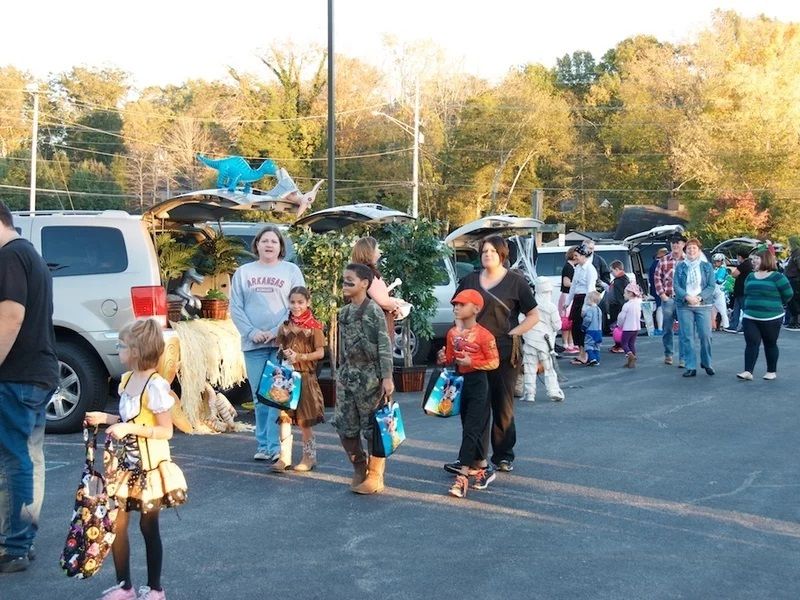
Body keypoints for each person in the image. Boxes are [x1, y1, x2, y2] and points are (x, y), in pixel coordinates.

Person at [85, 318, 187, 600]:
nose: (119, 349)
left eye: (122, 345)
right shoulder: (128, 380)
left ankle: (156, 589)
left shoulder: (156, 386)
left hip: (149, 468)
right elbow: (129, 418)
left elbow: (165, 431)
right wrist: (106, 419)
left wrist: (127, 428)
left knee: (148, 526)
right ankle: (125, 586)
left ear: (137, 351)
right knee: (116, 523)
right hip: (124, 466)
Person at [0, 202, 59, 574]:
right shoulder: (29, 254)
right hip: (36, 372)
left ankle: (15, 546)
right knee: (29, 458)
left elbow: (10, 317)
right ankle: (23, 540)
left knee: (14, 460)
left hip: (17, 375)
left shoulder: (9, 257)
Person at [449, 235, 538, 473]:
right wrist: (457, 335)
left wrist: (514, 333)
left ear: (502, 254)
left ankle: (503, 455)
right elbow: (457, 310)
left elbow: (533, 315)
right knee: (474, 405)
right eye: (484, 251)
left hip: (503, 348)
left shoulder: (515, 282)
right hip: (470, 349)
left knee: (502, 402)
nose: (488, 254)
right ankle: (475, 457)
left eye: (492, 251)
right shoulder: (469, 280)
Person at [230, 225, 305, 463]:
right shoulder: (243, 272)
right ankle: (262, 445)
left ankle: (277, 447)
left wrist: (276, 331)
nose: (269, 244)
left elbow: (298, 305)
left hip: (281, 345)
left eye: (274, 241)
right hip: (253, 345)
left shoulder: (290, 270)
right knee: (259, 397)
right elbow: (236, 307)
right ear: (257, 245)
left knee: (277, 395)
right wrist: (252, 332)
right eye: (265, 241)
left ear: (281, 246)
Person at [333, 263, 394, 494]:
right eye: (344, 280)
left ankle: (376, 476)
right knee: (344, 426)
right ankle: (359, 466)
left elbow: (384, 346)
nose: (345, 284)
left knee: (373, 428)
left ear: (364, 284)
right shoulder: (344, 313)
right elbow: (343, 348)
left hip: (371, 376)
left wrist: (387, 377)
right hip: (349, 376)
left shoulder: (374, 311)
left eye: (350, 280)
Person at [437, 289, 500, 498]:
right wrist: (443, 358)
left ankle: (462, 477)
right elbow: (448, 357)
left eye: (461, 304)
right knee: (469, 427)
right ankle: (483, 466)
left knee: (471, 429)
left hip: (478, 383)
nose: (456, 307)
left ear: (476, 308)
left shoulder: (484, 335)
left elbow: (494, 362)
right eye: (455, 304)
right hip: (459, 382)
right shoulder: (452, 333)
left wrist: (472, 362)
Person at [273, 286, 326, 472]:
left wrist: (301, 357)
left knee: (304, 419)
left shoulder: (315, 327)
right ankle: (284, 457)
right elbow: (279, 347)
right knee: (284, 416)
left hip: (305, 377)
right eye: (293, 302)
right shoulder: (285, 326)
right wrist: (284, 353)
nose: (296, 306)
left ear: (308, 303)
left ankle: (309, 457)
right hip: (287, 378)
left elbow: (320, 353)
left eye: (300, 302)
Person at [736, 250, 794, 381]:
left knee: (770, 343)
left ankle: (771, 371)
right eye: (753, 259)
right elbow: (746, 292)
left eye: (757, 258)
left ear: (766, 259)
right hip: (750, 317)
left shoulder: (777, 277)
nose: (754, 261)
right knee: (751, 343)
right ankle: (748, 371)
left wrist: (775, 304)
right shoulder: (750, 276)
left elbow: (788, 294)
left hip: (772, 318)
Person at [673, 238, 716, 377]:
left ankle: (707, 362)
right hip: (685, 305)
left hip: (703, 304)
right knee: (687, 337)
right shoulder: (680, 266)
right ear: (685, 250)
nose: (691, 250)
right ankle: (690, 366)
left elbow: (711, 286)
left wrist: (699, 297)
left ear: (699, 251)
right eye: (689, 248)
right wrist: (687, 297)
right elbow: (676, 286)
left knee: (705, 335)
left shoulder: (706, 266)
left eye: (694, 248)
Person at [520, 278, 564, 402]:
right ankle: (553, 391)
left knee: (529, 368)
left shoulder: (528, 305)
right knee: (549, 368)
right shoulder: (550, 306)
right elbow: (557, 326)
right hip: (545, 342)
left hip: (529, 340)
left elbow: (520, 321)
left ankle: (529, 394)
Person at [351, 236, 400, 340]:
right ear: (369, 252)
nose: (380, 251)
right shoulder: (368, 273)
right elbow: (383, 302)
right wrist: (395, 306)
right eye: (377, 248)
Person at [654, 233, 686, 367]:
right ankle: (668, 354)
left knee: (685, 330)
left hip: (684, 300)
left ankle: (683, 358)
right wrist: (662, 295)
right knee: (667, 329)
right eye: (673, 243)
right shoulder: (663, 260)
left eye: (678, 242)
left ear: (683, 244)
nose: (675, 245)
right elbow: (657, 278)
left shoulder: (688, 261)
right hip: (668, 298)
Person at [565, 244, 598, 366]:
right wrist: (568, 302)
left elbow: (590, 288)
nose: (575, 258)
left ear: (584, 255)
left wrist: (585, 306)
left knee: (583, 327)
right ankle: (581, 352)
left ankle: (586, 354)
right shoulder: (578, 268)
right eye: (574, 256)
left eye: (577, 255)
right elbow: (573, 286)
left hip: (586, 299)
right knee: (575, 327)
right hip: (577, 299)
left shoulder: (590, 269)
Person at [725, 249, 753, 333]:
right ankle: (733, 325)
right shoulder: (749, 264)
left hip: (742, 290)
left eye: (737, 257)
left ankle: (744, 327)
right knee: (736, 308)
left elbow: (734, 274)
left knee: (743, 309)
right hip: (741, 290)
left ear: (740, 257)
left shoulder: (743, 265)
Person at [617, 283, 643, 368]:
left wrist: (619, 325)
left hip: (628, 327)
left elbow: (621, 317)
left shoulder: (627, 305)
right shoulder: (638, 304)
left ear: (630, 293)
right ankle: (631, 362)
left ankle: (631, 356)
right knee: (631, 344)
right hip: (636, 328)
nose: (624, 294)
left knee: (624, 344)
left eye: (625, 293)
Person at [607, 260, 630, 353]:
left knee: (618, 327)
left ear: (617, 269)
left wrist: (622, 309)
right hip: (615, 306)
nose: (611, 273)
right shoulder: (621, 279)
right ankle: (618, 344)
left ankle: (620, 345)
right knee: (616, 327)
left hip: (618, 307)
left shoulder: (620, 281)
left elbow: (620, 296)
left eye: (612, 271)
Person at [558, 247, 578, 353]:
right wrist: (577, 285)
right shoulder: (568, 267)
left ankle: (571, 343)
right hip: (566, 295)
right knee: (566, 321)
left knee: (571, 321)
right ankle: (565, 344)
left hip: (570, 295)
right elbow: (566, 282)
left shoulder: (572, 267)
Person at [648, 248, 668, 335]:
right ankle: (660, 328)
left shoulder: (653, 264)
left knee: (660, 308)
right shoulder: (659, 264)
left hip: (654, 289)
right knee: (660, 308)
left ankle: (660, 328)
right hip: (660, 289)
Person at [581, 291, 604, 366]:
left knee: (588, 345)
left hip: (591, 330)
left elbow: (588, 319)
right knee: (596, 346)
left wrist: (584, 326)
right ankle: (597, 359)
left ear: (590, 300)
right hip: (599, 331)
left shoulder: (590, 310)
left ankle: (592, 358)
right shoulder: (599, 310)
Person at [782, 236, 800, 330]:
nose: (788, 245)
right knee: (791, 301)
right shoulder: (793, 253)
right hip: (792, 279)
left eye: (789, 243)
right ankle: (793, 321)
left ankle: (795, 322)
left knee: (793, 301)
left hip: (795, 280)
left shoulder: (797, 253)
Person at [711, 253, 731, 331]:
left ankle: (726, 325)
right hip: (714, 291)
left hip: (720, 291)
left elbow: (719, 280)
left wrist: (712, 279)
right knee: (713, 310)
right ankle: (713, 325)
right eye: (715, 261)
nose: (716, 263)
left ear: (722, 261)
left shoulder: (723, 269)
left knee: (722, 310)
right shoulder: (716, 269)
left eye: (718, 261)